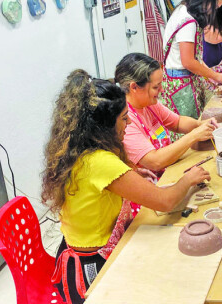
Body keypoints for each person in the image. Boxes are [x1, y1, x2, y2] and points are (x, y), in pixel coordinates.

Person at [42, 70, 210, 304]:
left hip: (80, 252)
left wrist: (127, 174)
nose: (129, 122)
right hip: (91, 269)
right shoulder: (99, 162)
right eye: (123, 118)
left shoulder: (78, 149)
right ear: (103, 125)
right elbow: (165, 201)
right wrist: (188, 179)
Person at [115, 53, 218, 215]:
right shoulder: (126, 119)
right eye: (156, 87)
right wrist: (194, 136)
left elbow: (176, 122)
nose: (161, 91)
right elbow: (154, 161)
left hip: (166, 178)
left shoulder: (148, 103)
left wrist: (201, 125)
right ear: (134, 87)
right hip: (149, 195)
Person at [160, 0, 222, 124]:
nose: (214, 11)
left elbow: (195, 58)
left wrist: (210, 75)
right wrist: (216, 76)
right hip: (181, 85)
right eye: (215, 6)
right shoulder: (188, 21)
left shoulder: (183, 9)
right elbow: (188, 62)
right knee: (190, 129)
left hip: (182, 78)